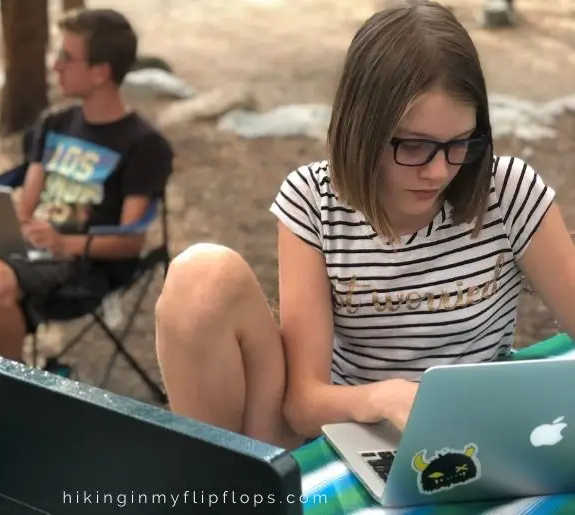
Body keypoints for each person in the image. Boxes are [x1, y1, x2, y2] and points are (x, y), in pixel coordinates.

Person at [155, 0, 575, 450]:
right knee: (201, 277)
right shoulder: (314, 200)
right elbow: (303, 402)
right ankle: (221, 491)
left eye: (460, 144)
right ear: (362, 128)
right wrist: (382, 398)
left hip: (470, 434)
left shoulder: (507, 191)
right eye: (414, 146)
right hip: (348, 430)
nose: (438, 171)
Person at [0, 8, 174, 362]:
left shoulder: (142, 145)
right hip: (24, 248)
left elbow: (130, 242)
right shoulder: (55, 124)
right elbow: (26, 205)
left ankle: (3, 390)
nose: (55, 66)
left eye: (67, 58)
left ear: (101, 72)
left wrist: (62, 241)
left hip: (81, 265)